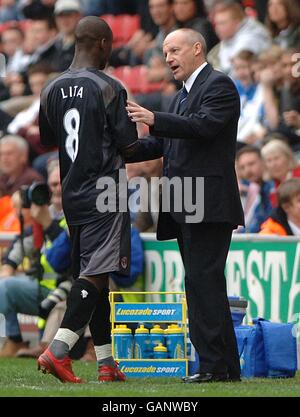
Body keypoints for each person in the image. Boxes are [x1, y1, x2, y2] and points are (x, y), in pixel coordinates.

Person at [126, 28, 244, 383]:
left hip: (208, 203)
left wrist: (155, 119)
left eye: (174, 50)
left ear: (197, 48)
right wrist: (121, 148)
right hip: (184, 202)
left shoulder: (219, 86)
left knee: (202, 281)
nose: (168, 58)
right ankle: (224, 367)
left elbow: (203, 128)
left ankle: (212, 366)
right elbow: (165, 146)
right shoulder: (179, 98)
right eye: (164, 52)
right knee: (202, 283)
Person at [37, 17, 139, 383]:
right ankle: (59, 349)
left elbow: (50, 141)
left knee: (96, 274)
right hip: (106, 192)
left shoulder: (50, 88)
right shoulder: (109, 87)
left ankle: (107, 363)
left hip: (72, 194)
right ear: (103, 44)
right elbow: (129, 146)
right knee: (95, 273)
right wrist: (167, 139)